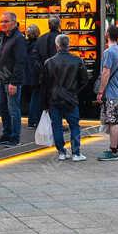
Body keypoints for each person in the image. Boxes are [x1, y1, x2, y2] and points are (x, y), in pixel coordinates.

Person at [41, 33, 90, 161]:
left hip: (54, 98)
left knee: (56, 126)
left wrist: (45, 103)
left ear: (57, 45)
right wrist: (74, 91)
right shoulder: (77, 60)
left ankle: (62, 152)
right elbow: (84, 80)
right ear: (68, 45)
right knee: (74, 125)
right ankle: (76, 152)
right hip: (70, 98)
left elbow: (44, 85)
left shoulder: (49, 62)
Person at [0, 12, 25, 147]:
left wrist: (14, 82)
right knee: (1, 106)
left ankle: (14, 138)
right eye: (2, 21)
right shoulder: (4, 37)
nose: (3, 24)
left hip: (12, 81)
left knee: (13, 109)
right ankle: (6, 134)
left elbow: (20, 62)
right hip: (3, 79)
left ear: (14, 23)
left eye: (6, 21)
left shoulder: (18, 39)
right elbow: (1, 60)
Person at [95, 25, 118, 161]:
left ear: (107, 34)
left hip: (111, 93)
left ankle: (113, 151)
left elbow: (106, 73)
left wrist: (100, 91)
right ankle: (116, 147)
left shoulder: (109, 52)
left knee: (113, 122)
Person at [24, 24, 42, 129]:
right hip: (35, 75)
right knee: (36, 98)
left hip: (25, 76)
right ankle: (34, 120)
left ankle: (32, 121)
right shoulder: (38, 44)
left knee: (31, 98)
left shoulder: (24, 44)